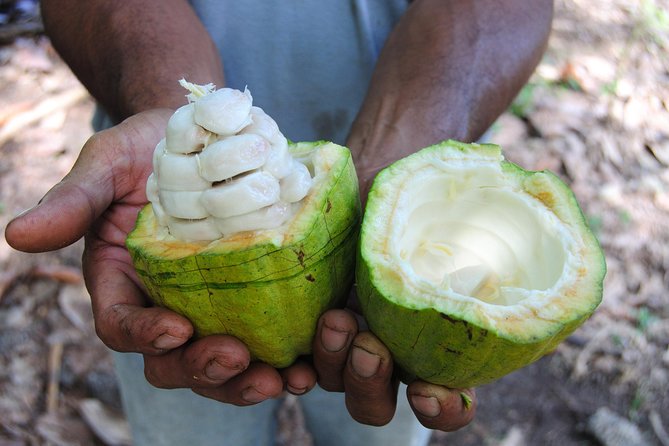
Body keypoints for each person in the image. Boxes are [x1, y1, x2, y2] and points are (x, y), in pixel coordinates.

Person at [5, 1, 554, 444]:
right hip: (175, 278)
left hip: (418, 157)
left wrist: (406, 154)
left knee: (376, 415)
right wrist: (168, 109)